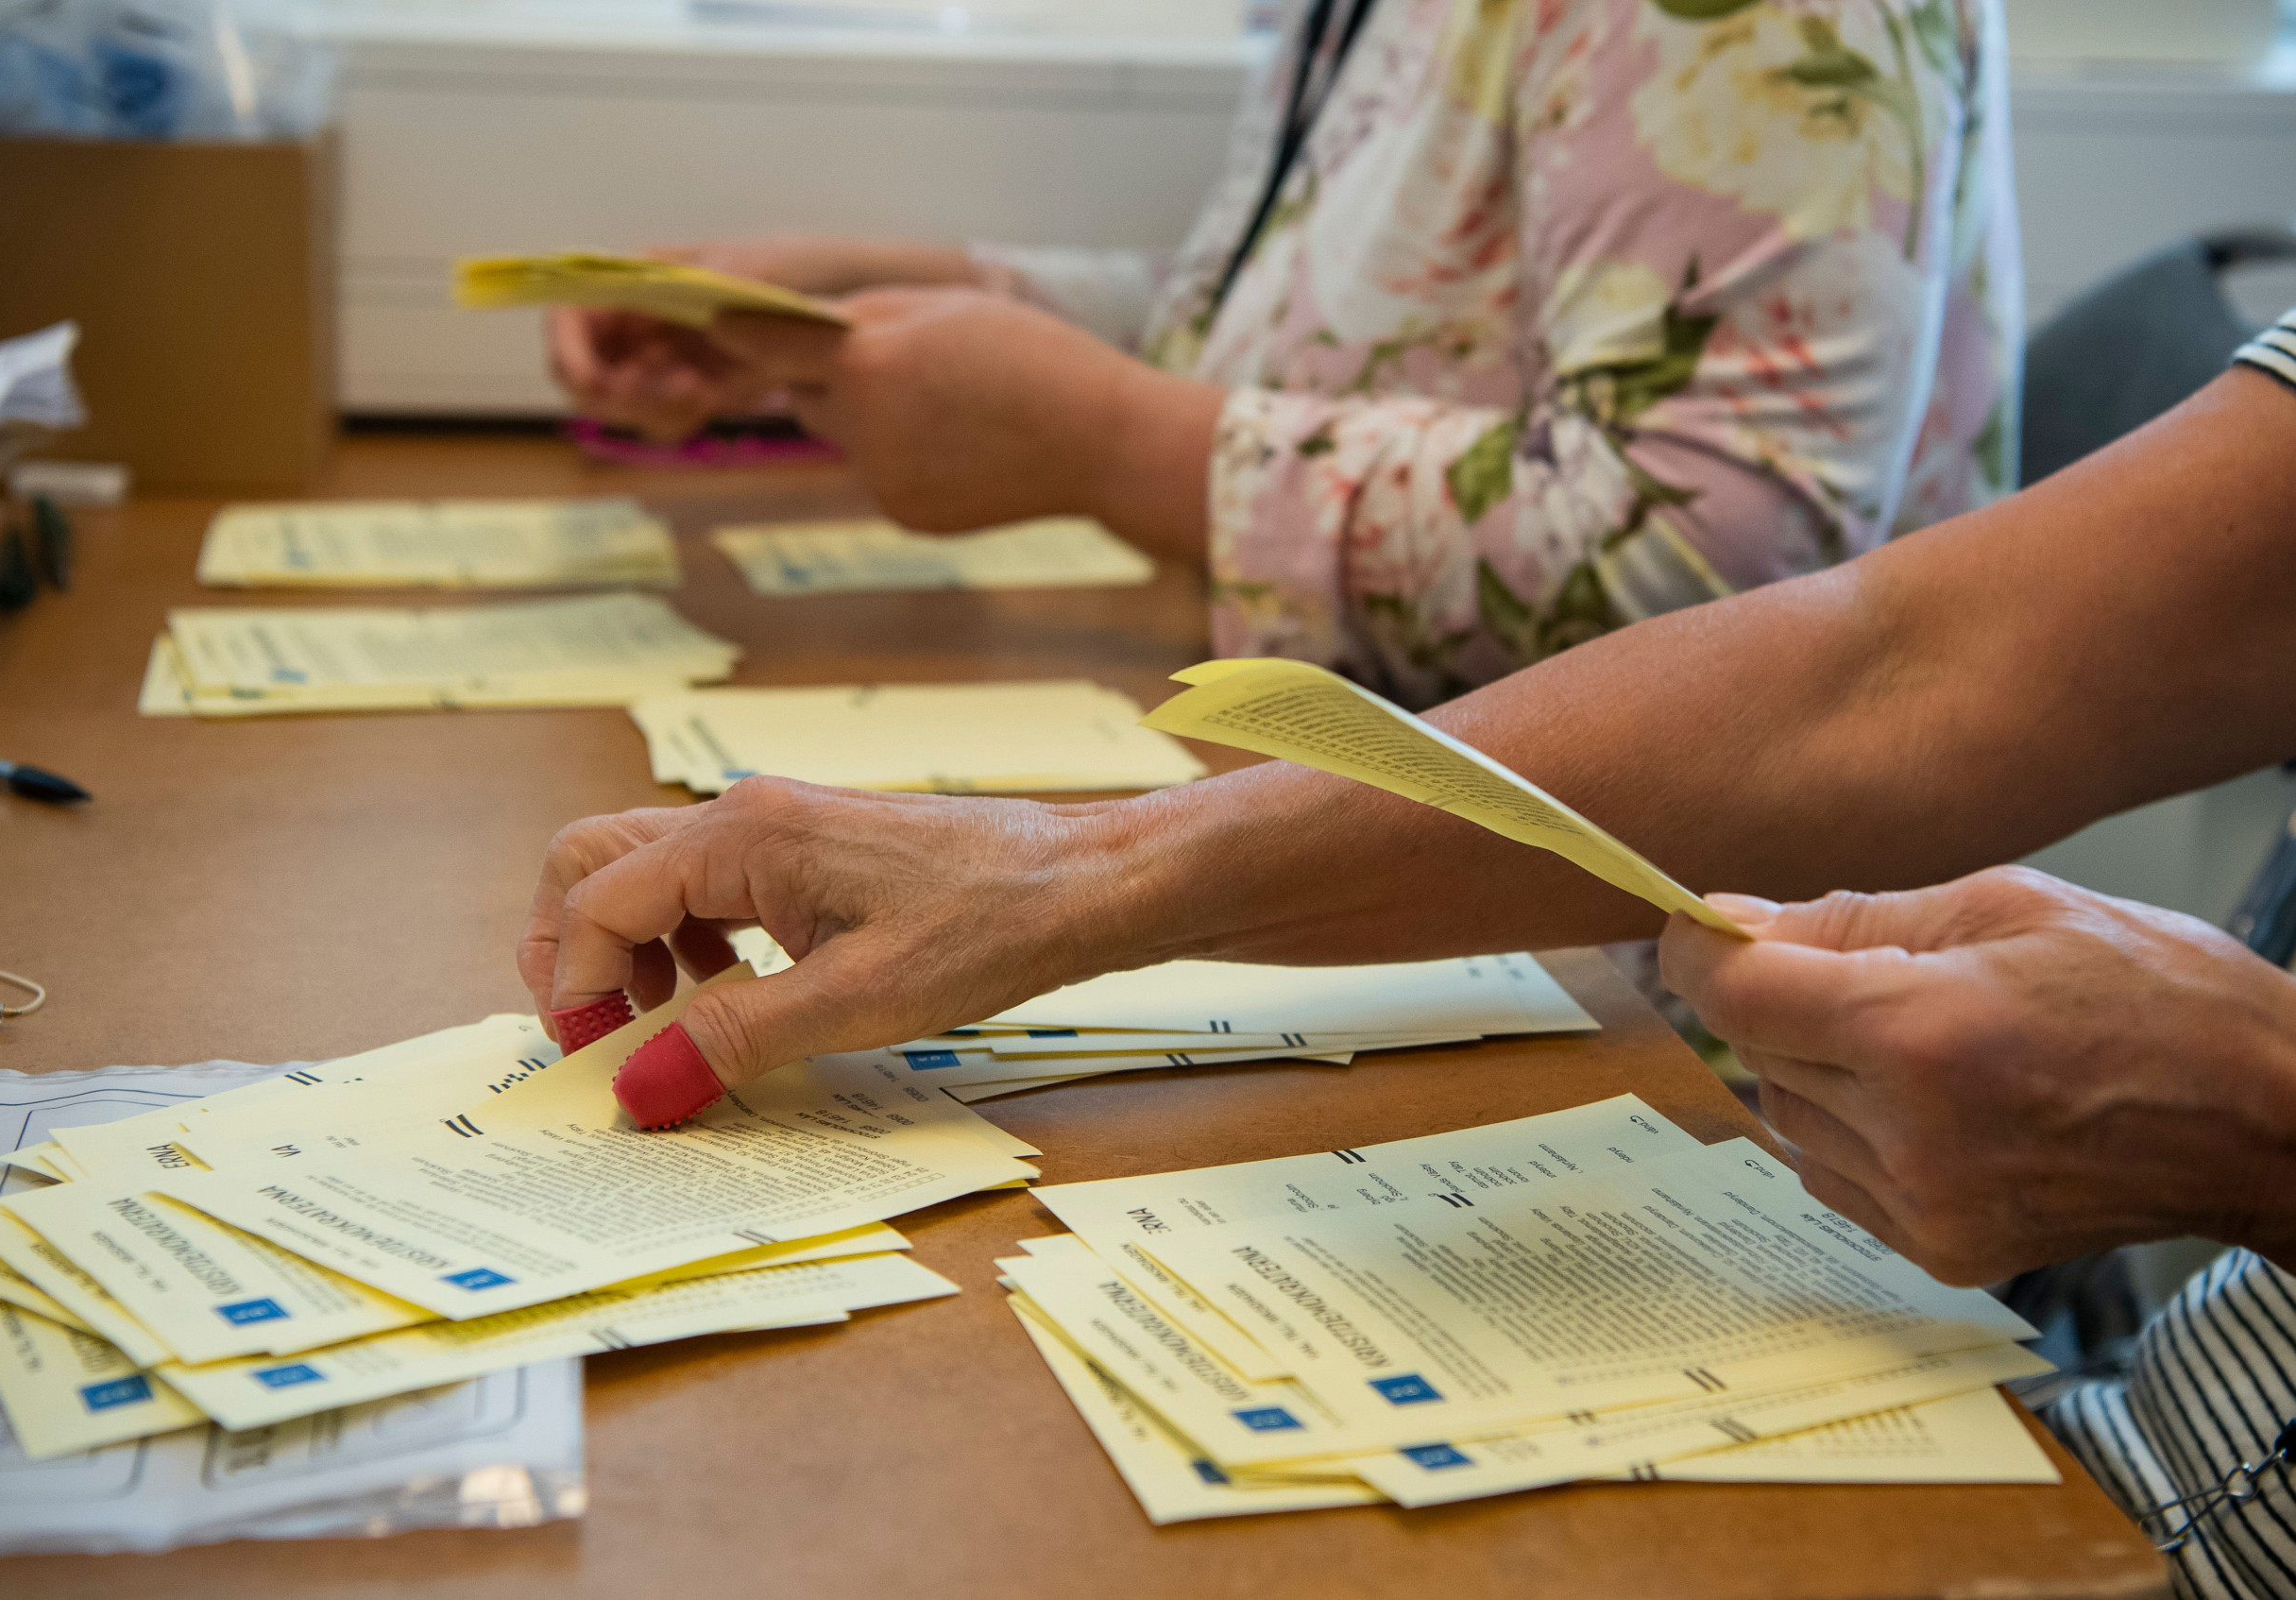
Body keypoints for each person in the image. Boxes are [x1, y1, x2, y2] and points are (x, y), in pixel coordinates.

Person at [522, 313, 2296, 1591]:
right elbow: (1900, 667)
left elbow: (1747, 546)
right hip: (2115, 1423)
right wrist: (1065, 866)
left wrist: (2267, 1118)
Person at [553, 0, 2021, 706]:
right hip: (1374, 833)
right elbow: (1321, 328)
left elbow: (1722, 563)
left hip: (1688, 1034)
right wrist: (878, 303)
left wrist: (1104, 440)